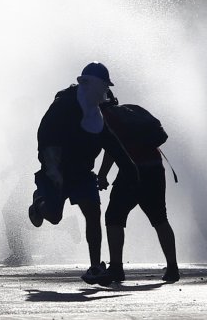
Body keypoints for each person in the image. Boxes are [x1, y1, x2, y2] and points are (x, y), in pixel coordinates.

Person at [28, 62, 123, 284]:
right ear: (87, 83)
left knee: (93, 213)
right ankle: (38, 204)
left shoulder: (97, 111)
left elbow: (111, 144)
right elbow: (45, 135)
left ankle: (94, 267)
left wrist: (130, 168)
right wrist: (51, 167)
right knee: (53, 216)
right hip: (56, 171)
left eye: (107, 87)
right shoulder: (64, 104)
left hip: (81, 173)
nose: (105, 91)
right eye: (103, 85)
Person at [97, 101, 179, 284]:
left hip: (132, 171)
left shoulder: (104, 117)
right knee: (160, 218)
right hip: (155, 168)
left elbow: (111, 150)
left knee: (114, 217)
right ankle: (173, 268)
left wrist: (102, 175)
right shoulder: (132, 110)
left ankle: (116, 268)